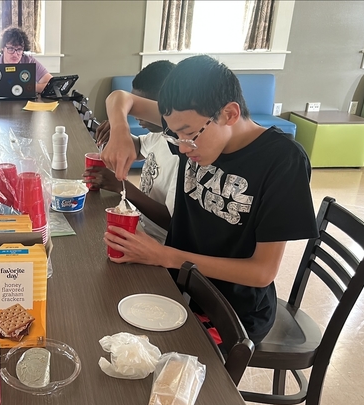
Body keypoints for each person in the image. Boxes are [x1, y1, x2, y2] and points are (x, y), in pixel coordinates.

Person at [100, 55, 318, 344]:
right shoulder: (188, 125)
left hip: (230, 311)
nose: (181, 146)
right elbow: (120, 97)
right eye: (175, 134)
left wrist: (164, 255)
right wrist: (120, 131)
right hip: (178, 283)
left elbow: (262, 271)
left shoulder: (282, 162)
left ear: (229, 113)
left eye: (188, 135)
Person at [84, 61, 178, 243]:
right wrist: (119, 132)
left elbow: (171, 221)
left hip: (158, 242)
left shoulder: (181, 153)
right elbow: (136, 146)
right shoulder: (159, 135)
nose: (135, 115)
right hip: (139, 224)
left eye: (140, 109)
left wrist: (122, 186)